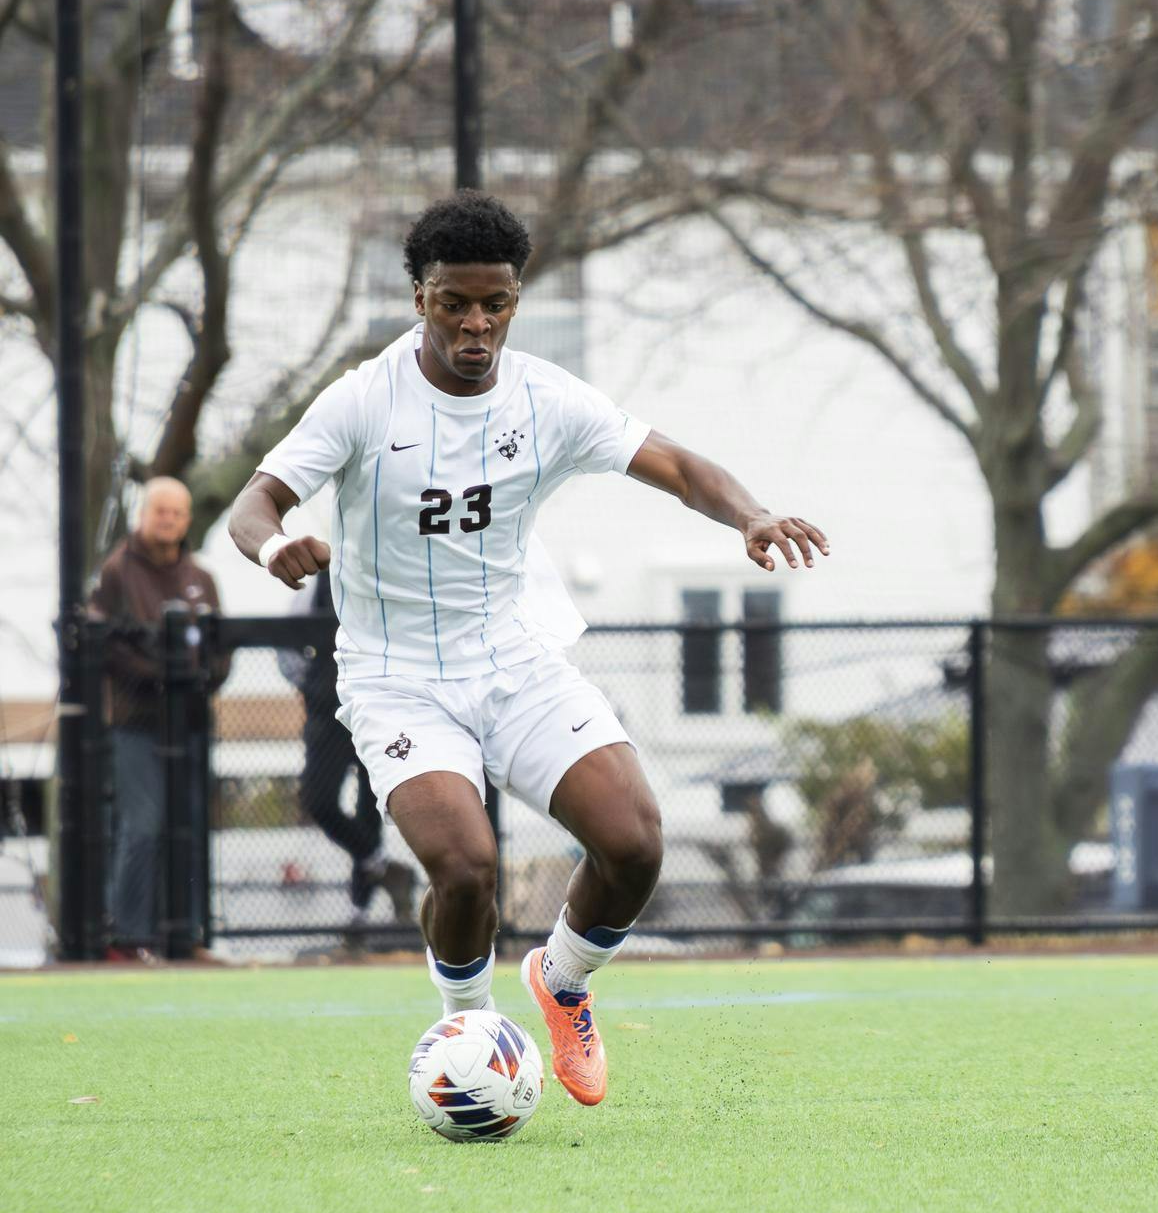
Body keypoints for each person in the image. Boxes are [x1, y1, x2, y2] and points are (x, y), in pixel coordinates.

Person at [226, 190, 828, 1106]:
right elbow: (254, 501)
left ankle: (562, 982)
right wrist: (275, 546)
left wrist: (750, 512)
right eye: (454, 302)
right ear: (419, 297)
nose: (476, 324)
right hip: (397, 679)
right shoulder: (360, 400)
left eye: (495, 303)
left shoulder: (545, 397)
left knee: (634, 843)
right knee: (466, 867)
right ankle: (467, 1032)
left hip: (515, 659)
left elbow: (677, 466)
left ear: (515, 300)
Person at [88, 476, 231, 960]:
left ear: (187, 519)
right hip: (136, 724)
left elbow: (220, 650)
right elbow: (103, 644)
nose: (167, 519)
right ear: (143, 515)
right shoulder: (116, 573)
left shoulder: (202, 577)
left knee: (190, 827)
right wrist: (160, 677)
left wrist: (198, 681)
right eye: (159, 511)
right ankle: (127, 939)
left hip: (190, 724)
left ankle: (187, 937)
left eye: (176, 512)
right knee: (143, 827)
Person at [277, 569, 417, 934]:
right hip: (327, 712)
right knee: (317, 799)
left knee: (371, 808)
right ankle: (384, 865)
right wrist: (312, 685)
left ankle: (360, 914)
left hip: (379, 709)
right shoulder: (319, 580)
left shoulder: (394, 574)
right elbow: (288, 641)